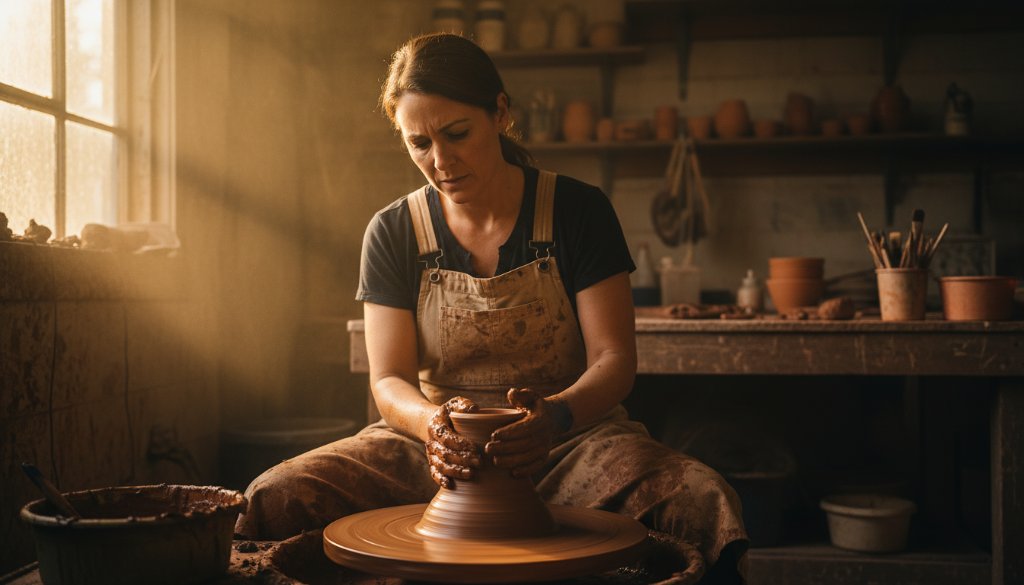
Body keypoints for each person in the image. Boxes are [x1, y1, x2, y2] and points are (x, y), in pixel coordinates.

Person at [234, 32, 747, 583]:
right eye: (419, 144)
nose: (440, 161)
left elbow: (615, 359)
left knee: (699, 501)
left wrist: (556, 416)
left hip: (568, 443)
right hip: (432, 451)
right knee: (275, 497)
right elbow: (388, 380)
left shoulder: (577, 211)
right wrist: (433, 426)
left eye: (457, 134)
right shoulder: (393, 231)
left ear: (499, 112)